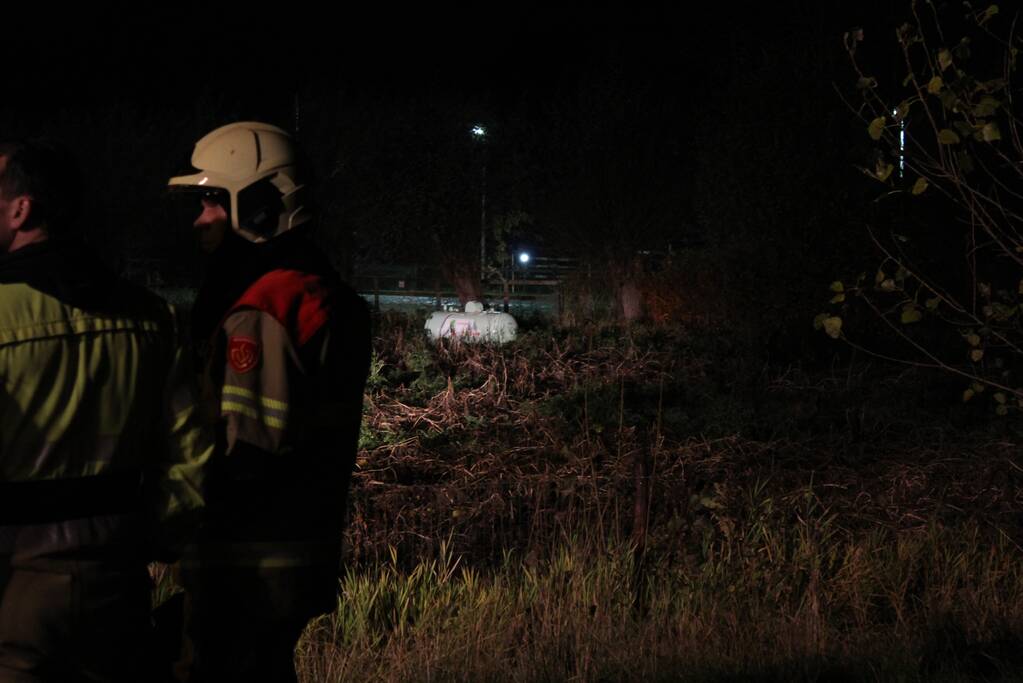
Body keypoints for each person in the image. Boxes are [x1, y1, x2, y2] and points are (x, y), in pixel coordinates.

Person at [0, 139, 212, 682]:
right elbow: (192, 457)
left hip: (12, 593)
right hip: (116, 591)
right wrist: (150, 540)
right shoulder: (152, 318)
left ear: (21, 210)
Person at [168, 122, 371, 681]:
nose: (200, 218)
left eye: (212, 200)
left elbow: (245, 451)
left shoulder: (266, 309)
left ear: (255, 205)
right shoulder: (320, 292)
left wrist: (170, 510)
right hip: (293, 553)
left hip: (246, 563)